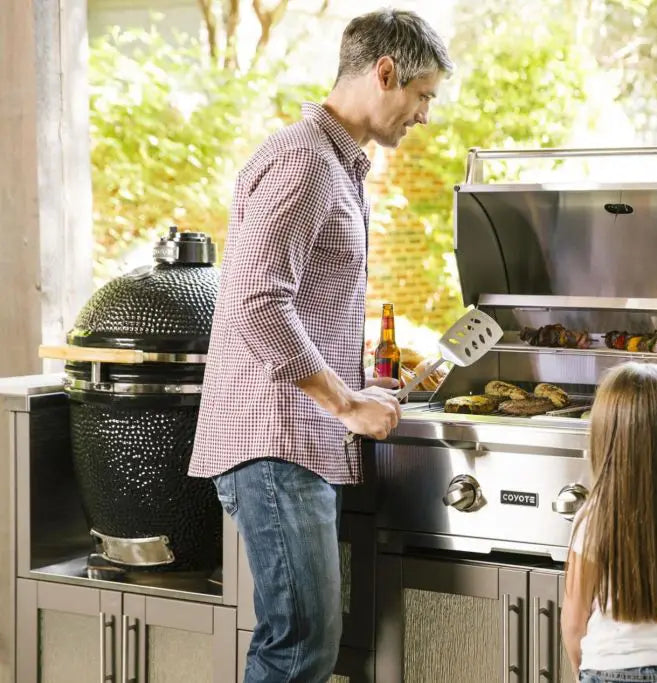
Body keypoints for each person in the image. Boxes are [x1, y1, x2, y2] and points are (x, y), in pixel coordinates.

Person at [187, 9, 452, 683]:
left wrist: (364, 388)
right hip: (276, 438)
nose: (424, 115)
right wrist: (345, 404)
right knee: (300, 643)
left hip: (296, 438)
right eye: (422, 95)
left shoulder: (337, 166)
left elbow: (301, 301)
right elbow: (257, 302)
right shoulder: (304, 160)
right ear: (385, 72)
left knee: (303, 639)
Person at [561, 362, 657, 683]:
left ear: (607, 436)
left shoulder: (594, 517)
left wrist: (585, 674)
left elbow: (574, 625)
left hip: (611, 668)